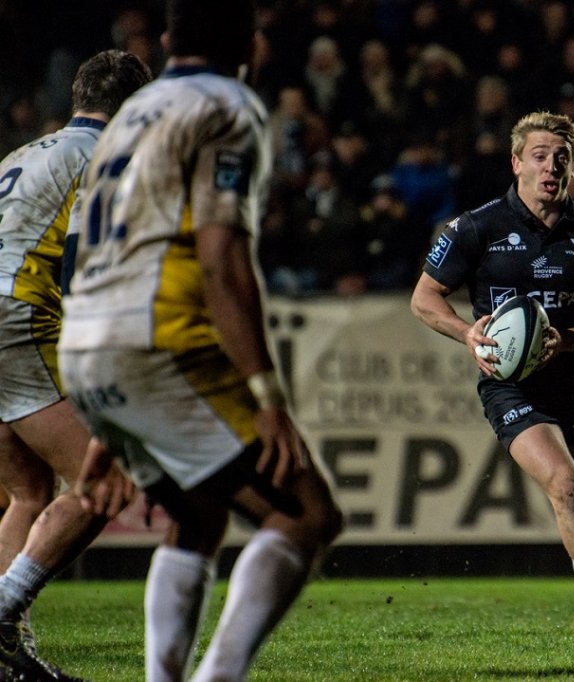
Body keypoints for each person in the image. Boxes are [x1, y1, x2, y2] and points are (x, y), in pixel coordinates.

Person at [58, 1, 343, 680]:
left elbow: (95, 253)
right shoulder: (227, 106)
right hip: (158, 340)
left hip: (86, 342)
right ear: (251, 44)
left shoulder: (133, 114)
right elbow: (220, 257)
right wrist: (267, 393)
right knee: (306, 513)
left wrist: (106, 419)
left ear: (166, 41)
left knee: (200, 513)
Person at [410, 110, 574, 647]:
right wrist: (467, 334)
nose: (551, 167)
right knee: (564, 488)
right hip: (509, 384)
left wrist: (564, 340)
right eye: (541, 157)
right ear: (517, 163)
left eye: (561, 159)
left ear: (572, 168)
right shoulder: (475, 227)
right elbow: (424, 298)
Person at [0, 48, 151, 681]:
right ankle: (2, 613)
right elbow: (86, 264)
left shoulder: (20, 155)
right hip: (20, 316)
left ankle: (5, 661)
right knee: (108, 479)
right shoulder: (108, 159)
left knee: (29, 492)